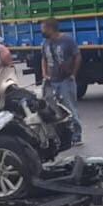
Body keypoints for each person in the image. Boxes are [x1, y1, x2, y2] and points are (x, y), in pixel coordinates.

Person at [41, 17, 83, 146]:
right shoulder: (46, 43)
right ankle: (59, 136)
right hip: (51, 81)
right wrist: (45, 74)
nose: (42, 31)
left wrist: (73, 74)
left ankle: (76, 135)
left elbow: (77, 56)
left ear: (50, 28)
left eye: (43, 28)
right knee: (52, 108)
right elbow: (44, 58)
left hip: (65, 80)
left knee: (70, 108)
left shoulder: (67, 40)